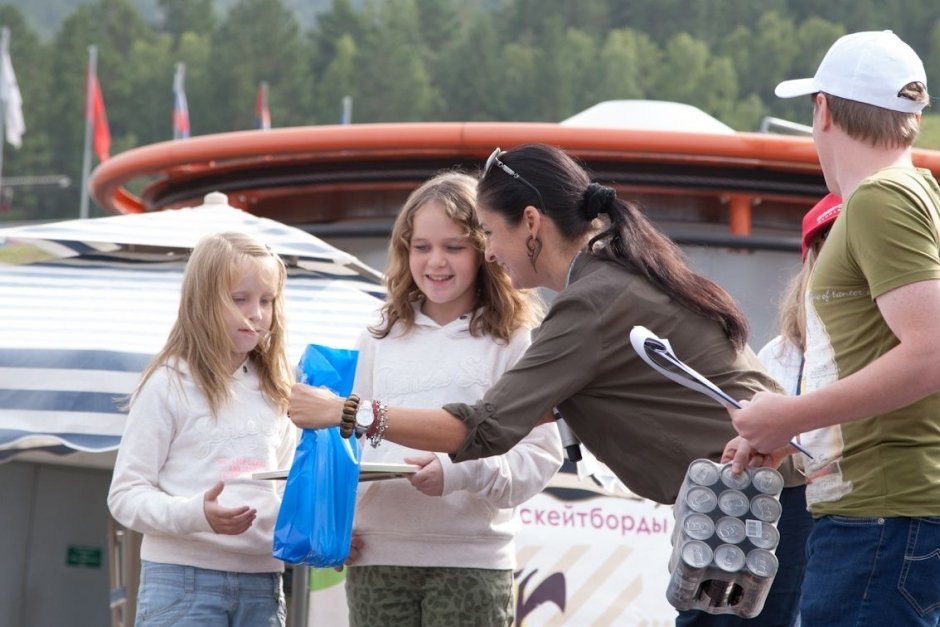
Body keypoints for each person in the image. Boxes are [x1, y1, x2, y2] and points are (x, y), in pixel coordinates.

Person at [289, 142, 781, 509]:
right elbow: (518, 415)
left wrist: (347, 413)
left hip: (753, 493)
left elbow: (485, 429)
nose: (488, 251)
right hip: (750, 491)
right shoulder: (610, 278)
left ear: (530, 222)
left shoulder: (592, 302)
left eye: (487, 233)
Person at [728, 31, 940, 626]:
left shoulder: (877, 200)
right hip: (891, 518)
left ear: (821, 109)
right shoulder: (916, 192)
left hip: (880, 520)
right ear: (913, 117)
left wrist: (788, 416)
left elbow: (930, 355)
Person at [342, 171, 562, 627]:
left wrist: (459, 473)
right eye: (422, 246)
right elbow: (343, 443)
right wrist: (336, 522)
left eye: (454, 247)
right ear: (405, 249)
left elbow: (540, 458)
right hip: (374, 561)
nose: (436, 261)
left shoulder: (515, 342)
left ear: (486, 250)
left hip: (474, 564)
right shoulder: (374, 338)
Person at [108, 232, 297, 627]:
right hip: (179, 583)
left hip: (264, 584)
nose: (257, 313)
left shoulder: (280, 390)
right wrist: (196, 514)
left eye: (267, 300)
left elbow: (285, 489)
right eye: (240, 298)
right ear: (202, 301)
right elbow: (125, 496)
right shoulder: (167, 384)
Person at [680, 194, 842, 627]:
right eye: (833, 251)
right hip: (774, 518)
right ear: (810, 267)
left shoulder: (905, 350)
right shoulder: (780, 354)